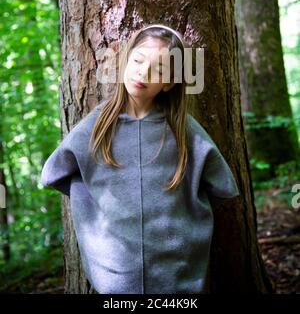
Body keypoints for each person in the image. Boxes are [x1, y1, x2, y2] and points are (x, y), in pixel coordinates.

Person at [40, 23, 240, 294]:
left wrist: (187, 222)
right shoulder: (96, 126)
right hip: (114, 277)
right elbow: (54, 174)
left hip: (177, 276)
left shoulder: (184, 131)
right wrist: (90, 207)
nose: (143, 72)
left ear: (169, 82)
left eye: (159, 69)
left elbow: (222, 187)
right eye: (138, 60)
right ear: (125, 61)